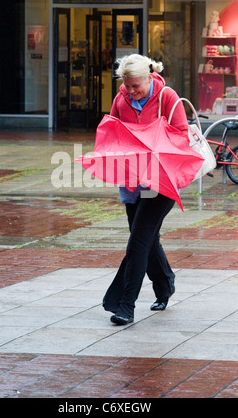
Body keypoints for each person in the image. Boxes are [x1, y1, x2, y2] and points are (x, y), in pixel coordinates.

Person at [102, 54, 189, 326]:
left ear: (150, 77)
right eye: (126, 85)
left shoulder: (167, 97)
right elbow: (112, 134)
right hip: (132, 180)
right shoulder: (120, 100)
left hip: (161, 181)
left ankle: (125, 306)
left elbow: (183, 135)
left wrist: (155, 141)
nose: (131, 91)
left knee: (138, 242)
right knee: (147, 238)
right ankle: (165, 285)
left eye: (135, 85)